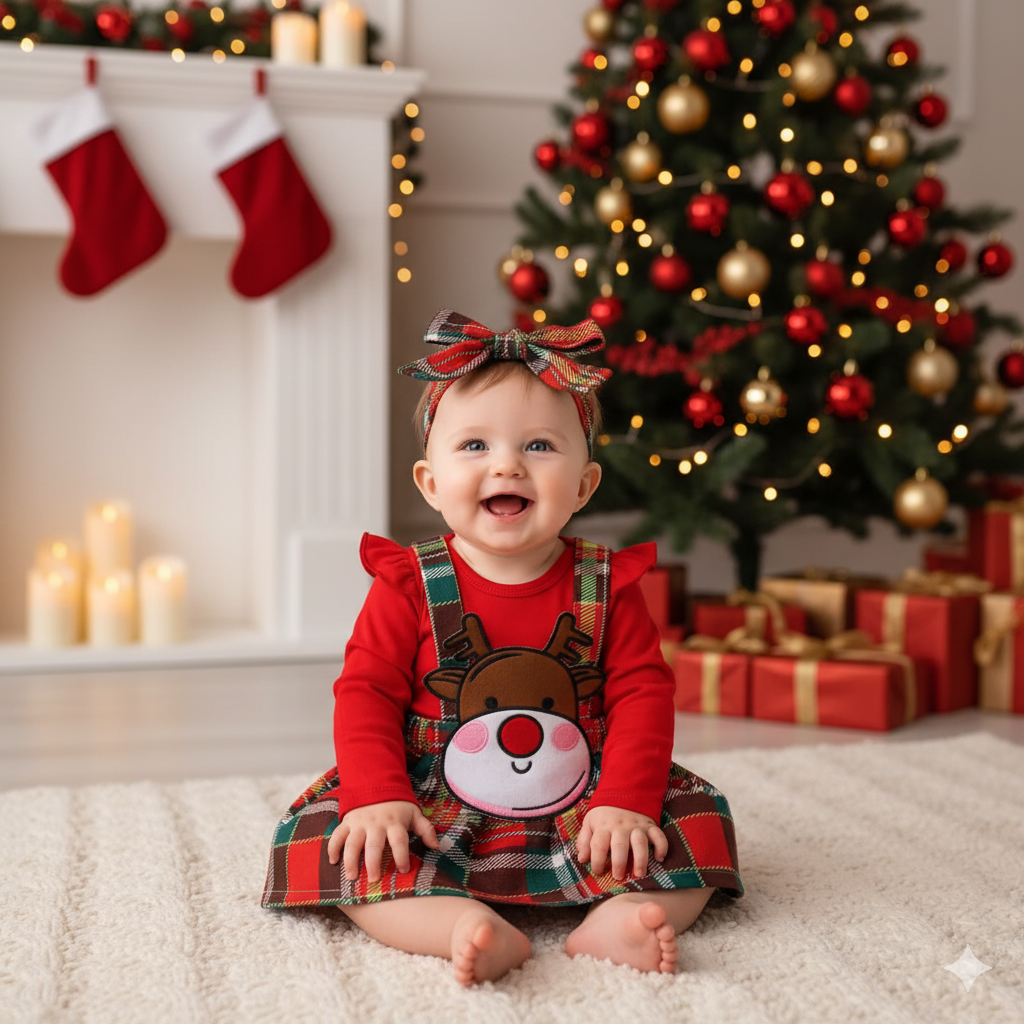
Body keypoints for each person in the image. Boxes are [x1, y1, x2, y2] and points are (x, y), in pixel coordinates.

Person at [262, 309, 742, 985]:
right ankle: (459, 925)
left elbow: (643, 692)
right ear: (430, 483)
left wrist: (624, 800)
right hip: (432, 795)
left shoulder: (606, 586)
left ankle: (621, 920)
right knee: (339, 848)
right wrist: (377, 795)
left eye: (540, 446)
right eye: (475, 446)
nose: (508, 464)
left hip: (586, 795)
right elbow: (366, 692)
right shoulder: (408, 584)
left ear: (583, 485)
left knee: (696, 824)